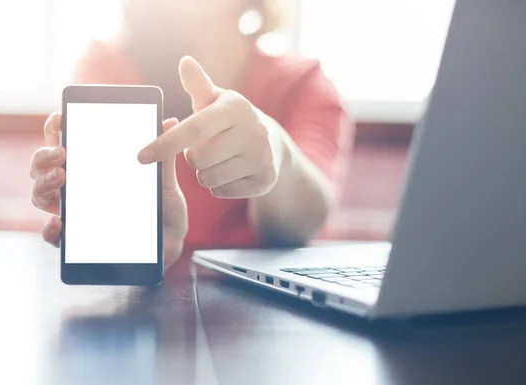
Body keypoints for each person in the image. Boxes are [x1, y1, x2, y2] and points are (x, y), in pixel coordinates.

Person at [29, 0, 353, 267]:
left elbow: (309, 215)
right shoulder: (106, 68)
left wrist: (277, 150)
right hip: (139, 296)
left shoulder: (303, 84)